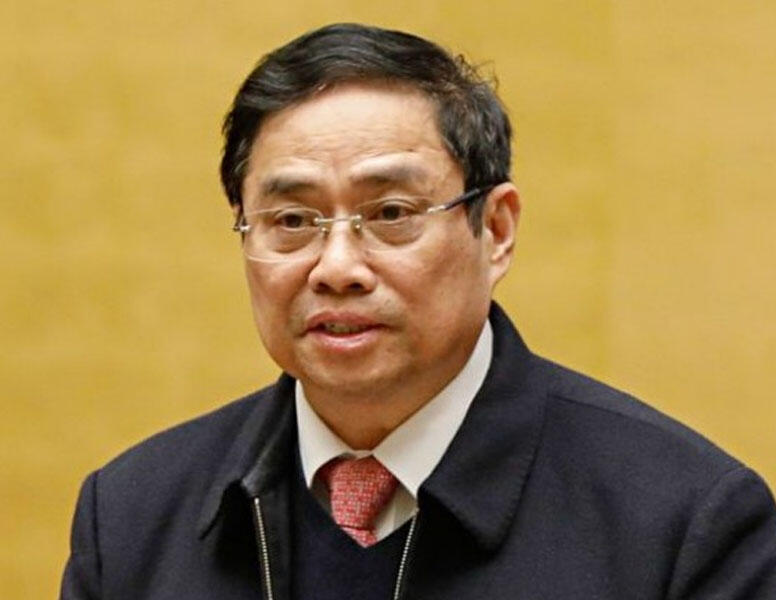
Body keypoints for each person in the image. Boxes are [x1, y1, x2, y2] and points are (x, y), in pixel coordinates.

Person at [60, 23, 776, 600]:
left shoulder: (685, 524)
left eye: (391, 213)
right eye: (292, 221)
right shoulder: (130, 517)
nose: (337, 268)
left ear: (496, 231)